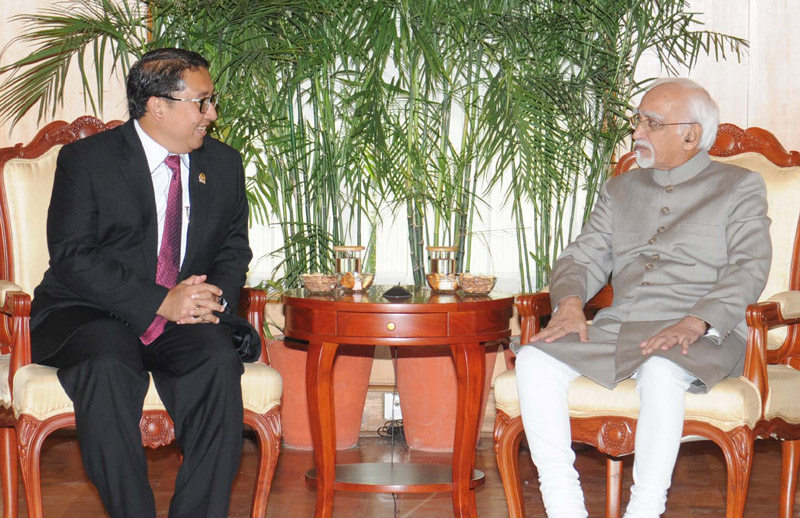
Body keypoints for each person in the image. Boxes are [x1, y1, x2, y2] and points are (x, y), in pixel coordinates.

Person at [514, 78, 771, 518]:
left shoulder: (739, 186)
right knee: (534, 358)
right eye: (638, 122)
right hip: (620, 330)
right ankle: (564, 506)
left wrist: (696, 321)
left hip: (703, 335)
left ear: (691, 134)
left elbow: (748, 267)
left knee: (660, 367)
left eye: (651, 124)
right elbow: (581, 257)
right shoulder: (621, 190)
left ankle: (645, 510)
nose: (636, 134)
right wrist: (570, 303)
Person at [30, 48, 252, 518]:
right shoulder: (87, 160)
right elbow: (71, 256)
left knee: (216, 361)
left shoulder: (225, 165)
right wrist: (160, 301)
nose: (211, 115)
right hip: (91, 310)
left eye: (212, 102)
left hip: (184, 317)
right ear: (158, 106)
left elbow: (234, 249)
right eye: (202, 102)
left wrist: (208, 299)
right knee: (107, 363)